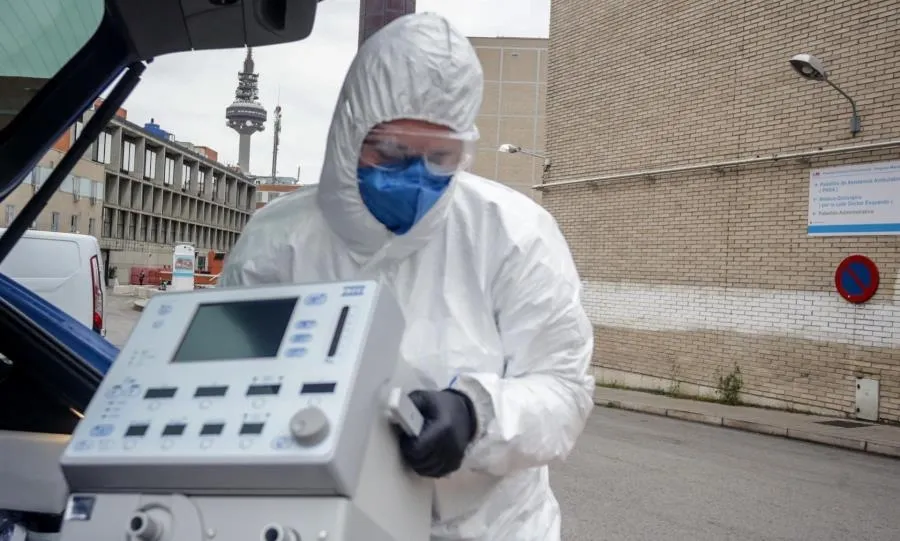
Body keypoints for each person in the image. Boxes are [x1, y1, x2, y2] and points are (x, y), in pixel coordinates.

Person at [220, 12, 595, 541]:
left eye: (441, 157)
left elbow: (562, 390)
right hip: (318, 522)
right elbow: (223, 384)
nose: (417, 178)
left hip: (491, 529)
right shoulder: (278, 241)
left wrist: (476, 415)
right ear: (351, 133)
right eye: (393, 153)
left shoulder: (514, 234)